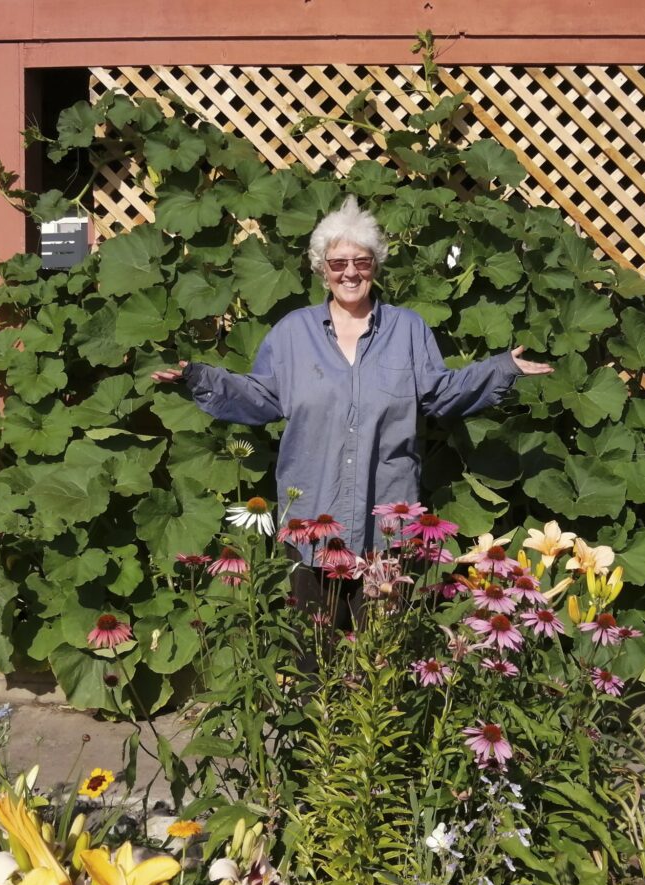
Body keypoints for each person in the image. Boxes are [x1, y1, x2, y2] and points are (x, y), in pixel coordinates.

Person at [153, 196, 553, 615]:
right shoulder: (293, 333)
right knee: (314, 652)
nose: (349, 273)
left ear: (375, 266)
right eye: (337, 262)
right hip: (312, 517)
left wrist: (503, 368)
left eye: (361, 262)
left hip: (386, 522)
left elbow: (440, 393)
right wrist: (198, 378)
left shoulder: (408, 330)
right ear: (322, 269)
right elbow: (261, 396)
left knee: (378, 653)